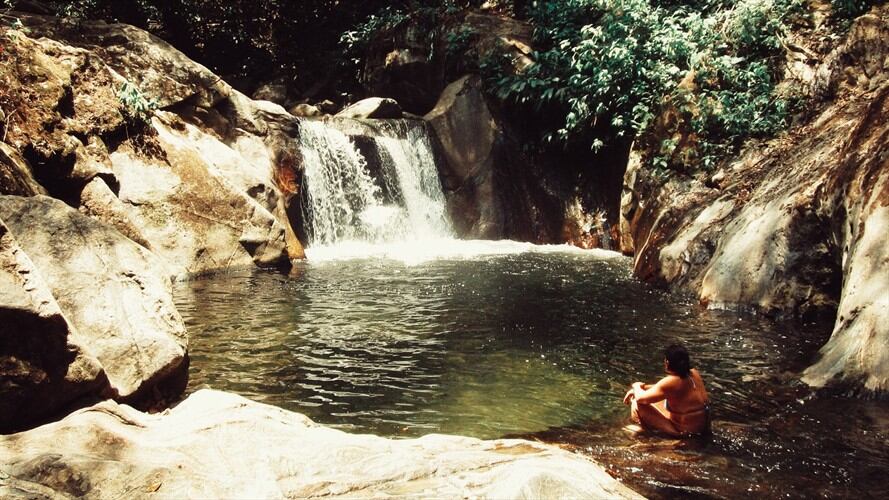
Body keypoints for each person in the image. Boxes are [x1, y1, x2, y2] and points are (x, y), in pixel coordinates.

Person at [622, 344, 710, 436]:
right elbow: (663, 389)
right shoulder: (694, 373)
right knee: (655, 399)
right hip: (702, 429)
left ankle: (644, 431)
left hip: (683, 432)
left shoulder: (672, 382)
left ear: (667, 363)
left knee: (637, 402)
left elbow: (641, 398)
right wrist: (643, 387)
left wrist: (636, 386)